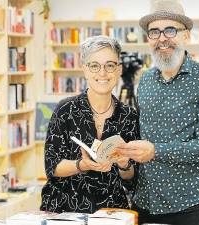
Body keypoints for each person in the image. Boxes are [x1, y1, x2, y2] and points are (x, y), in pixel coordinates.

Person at [116, 1, 199, 225]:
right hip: (144, 202)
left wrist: (155, 151)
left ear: (186, 35)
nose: (162, 38)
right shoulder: (145, 80)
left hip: (188, 206)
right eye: (154, 32)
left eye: (170, 30)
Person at [40, 35, 139, 213]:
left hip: (111, 213)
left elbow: (131, 179)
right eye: (94, 65)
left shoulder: (130, 116)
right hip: (65, 211)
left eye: (110, 65)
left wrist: (125, 164)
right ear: (85, 70)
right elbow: (52, 167)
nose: (102, 73)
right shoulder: (65, 110)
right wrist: (81, 165)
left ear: (119, 70)